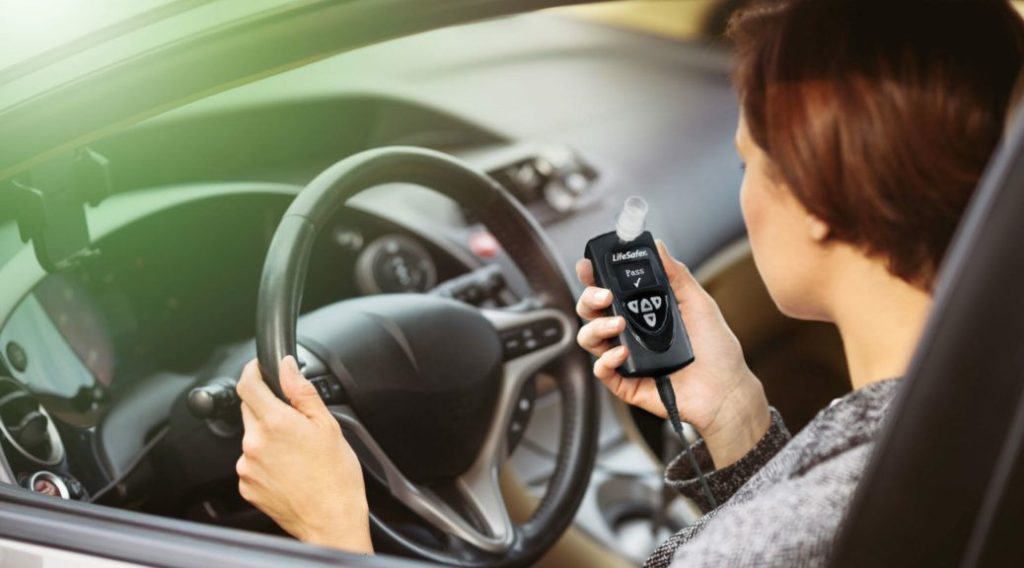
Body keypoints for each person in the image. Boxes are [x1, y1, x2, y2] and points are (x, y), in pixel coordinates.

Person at [232, 0, 1024, 565]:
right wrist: (738, 417)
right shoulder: (959, 423)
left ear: (817, 202)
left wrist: (334, 533)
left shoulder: (818, 515)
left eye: (748, 161)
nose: (744, 185)